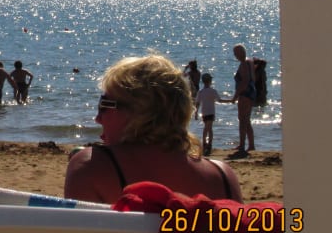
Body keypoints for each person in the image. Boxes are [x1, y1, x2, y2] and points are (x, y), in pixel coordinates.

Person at [64, 54, 242, 204]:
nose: (97, 118)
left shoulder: (89, 167)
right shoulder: (224, 177)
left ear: (138, 111)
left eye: (104, 105)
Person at [230, 43, 256, 159]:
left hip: (245, 94)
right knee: (247, 119)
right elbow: (253, 79)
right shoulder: (250, 62)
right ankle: (251, 144)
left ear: (240, 53)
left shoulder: (244, 64)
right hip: (251, 92)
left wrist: (236, 95)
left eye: (236, 53)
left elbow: (244, 82)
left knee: (242, 119)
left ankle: (242, 145)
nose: (235, 56)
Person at [194, 72, 222, 155]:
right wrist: (231, 100)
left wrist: (196, 112)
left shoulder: (200, 92)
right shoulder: (213, 91)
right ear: (210, 81)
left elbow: (197, 103)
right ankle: (208, 145)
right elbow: (219, 100)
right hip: (211, 112)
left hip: (204, 113)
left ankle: (205, 144)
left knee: (206, 128)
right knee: (209, 129)